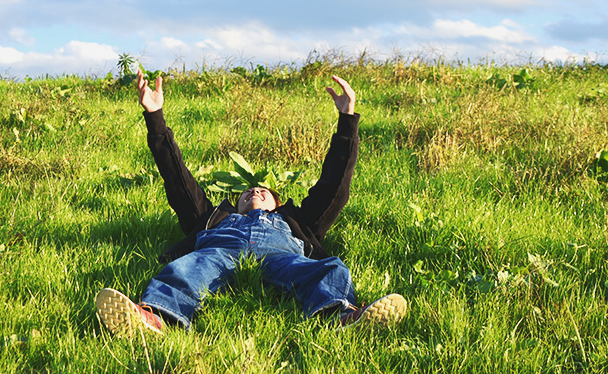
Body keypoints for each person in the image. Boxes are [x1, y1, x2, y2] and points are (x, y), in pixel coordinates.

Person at [96, 70, 407, 335]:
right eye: (247, 192)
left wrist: (347, 121)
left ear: (277, 203)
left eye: (264, 191)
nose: (254, 192)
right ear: (236, 202)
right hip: (218, 255)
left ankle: (342, 315)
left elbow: (334, 187)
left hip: (281, 258)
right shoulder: (212, 216)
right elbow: (177, 178)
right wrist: (155, 117)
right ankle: (152, 318)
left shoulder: (295, 222)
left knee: (328, 269)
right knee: (186, 268)